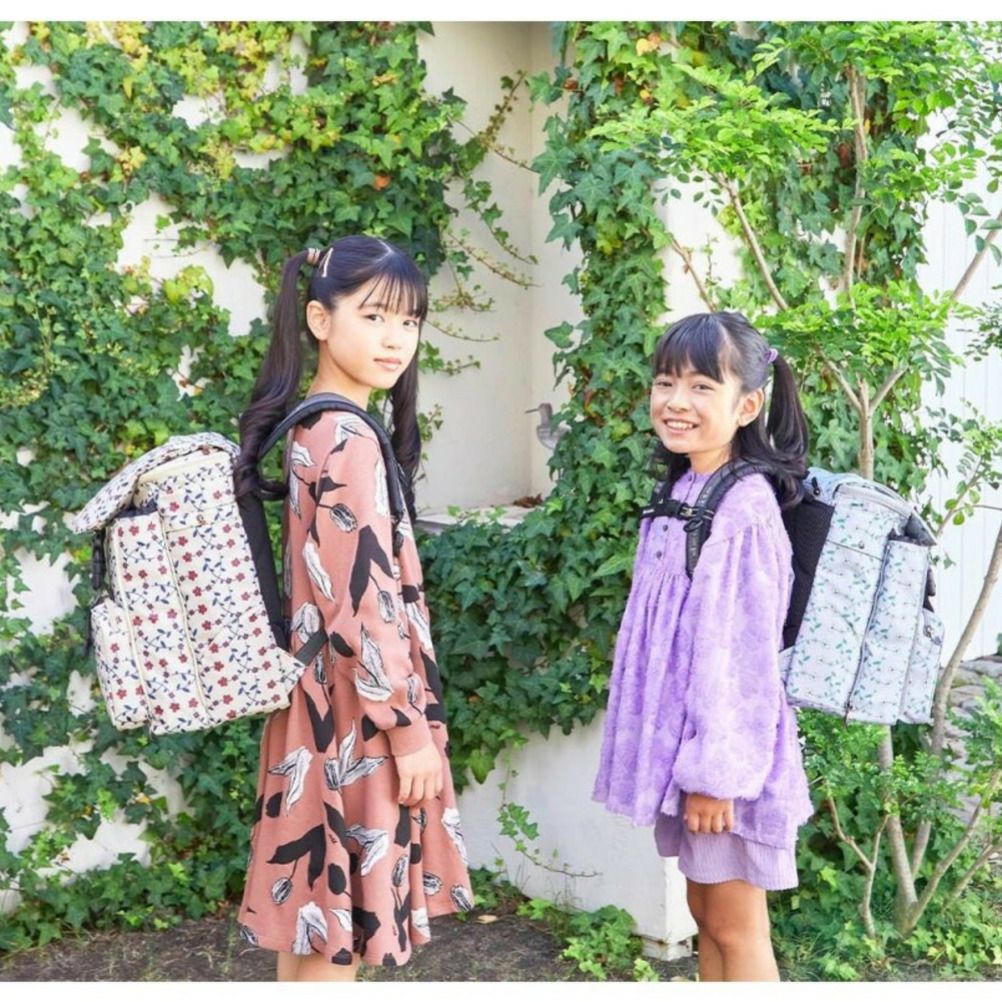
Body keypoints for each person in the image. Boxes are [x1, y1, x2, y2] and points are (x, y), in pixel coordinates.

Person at [233, 235, 472, 981]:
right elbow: (361, 607)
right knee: (336, 943)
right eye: (373, 316)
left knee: (315, 929)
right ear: (319, 319)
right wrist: (407, 729)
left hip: (317, 713)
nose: (395, 338)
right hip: (356, 722)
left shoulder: (315, 424)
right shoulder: (348, 436)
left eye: (409, 321)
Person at [592, 311, 814, 982]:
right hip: (696, 755)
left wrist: (715, 776)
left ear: (747, 406)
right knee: (707, 916)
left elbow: (740, 658)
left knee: (736, 929)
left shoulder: (742, 506)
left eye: (700, 386)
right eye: (665, 383)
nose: (676, 402)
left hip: (726, 762)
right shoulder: (687, 488)